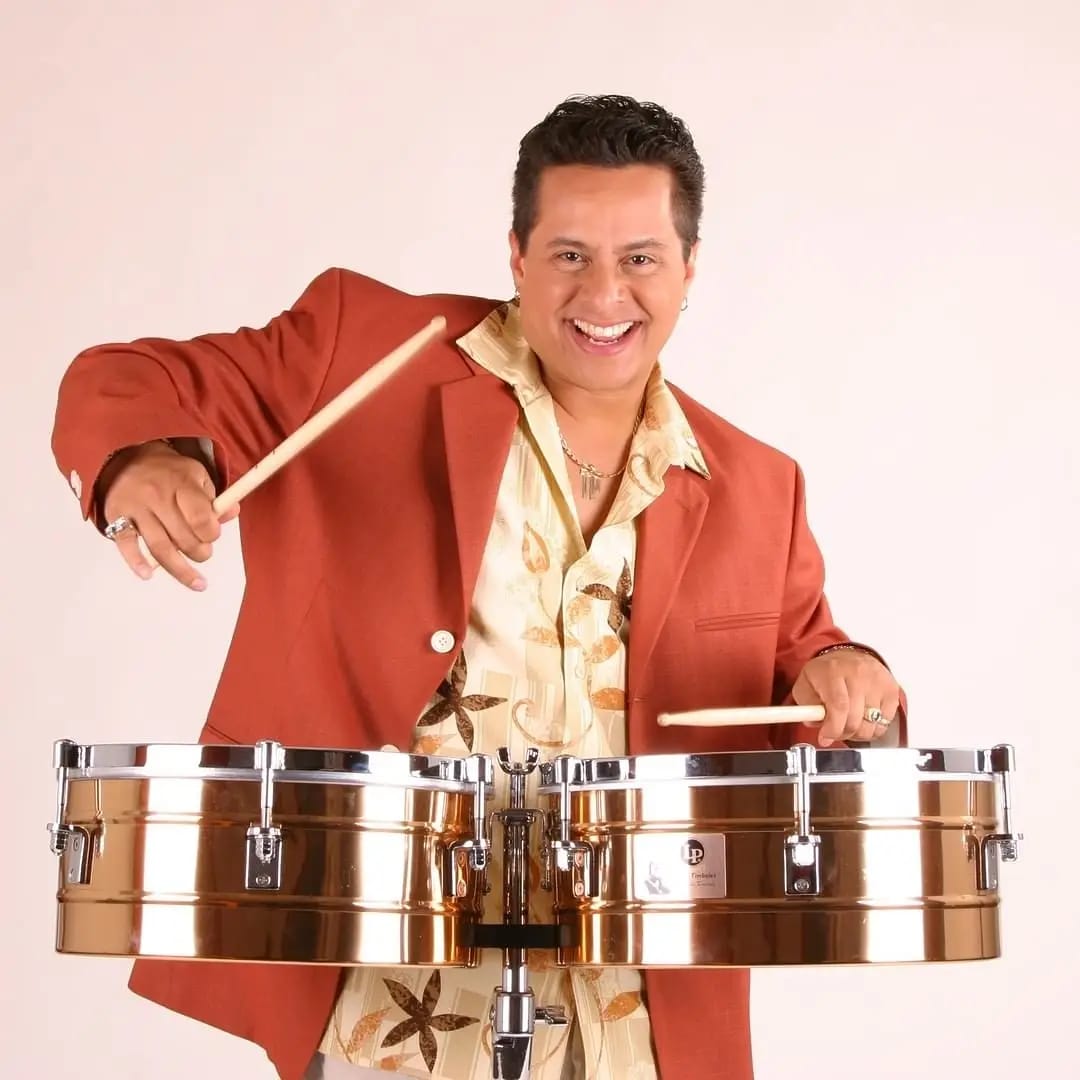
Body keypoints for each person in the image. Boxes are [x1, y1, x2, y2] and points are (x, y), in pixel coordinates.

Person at [51, 94, 906, 1080]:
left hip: (643, 1027)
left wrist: (852, 681)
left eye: (640, 259)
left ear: (687, 272)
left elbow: (810, 670)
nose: (605, 293)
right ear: (516, 256)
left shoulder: (758, 482)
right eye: (569, 255)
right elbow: (121, 378)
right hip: (389, 1013)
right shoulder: (366, 351)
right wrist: (142, 464)